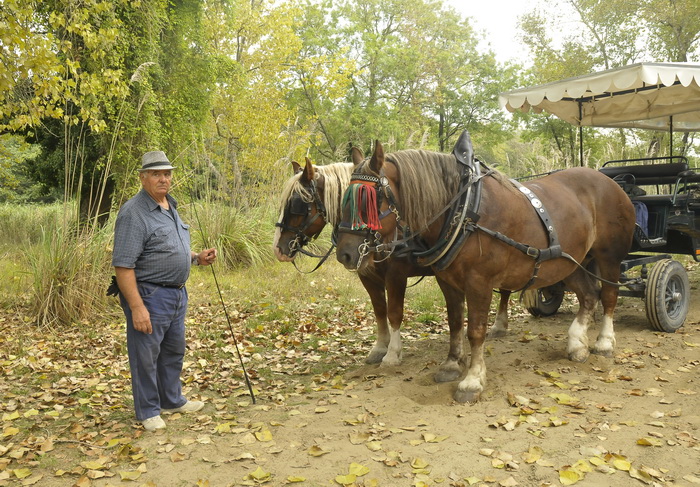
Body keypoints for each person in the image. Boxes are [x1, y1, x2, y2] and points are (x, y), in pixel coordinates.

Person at [112, 150, 217, 431]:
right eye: (156, 174)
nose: (163, 179)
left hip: (176, 294)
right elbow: (123, 266)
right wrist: (137, 307)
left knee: (173, 351)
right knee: (145, 355)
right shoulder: (134, 213)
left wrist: (196, 258)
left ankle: (171, 400)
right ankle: (148, 411)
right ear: (143, 177)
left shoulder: (170, 205)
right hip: (149, 295)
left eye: (167, 173)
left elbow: (167, 248)